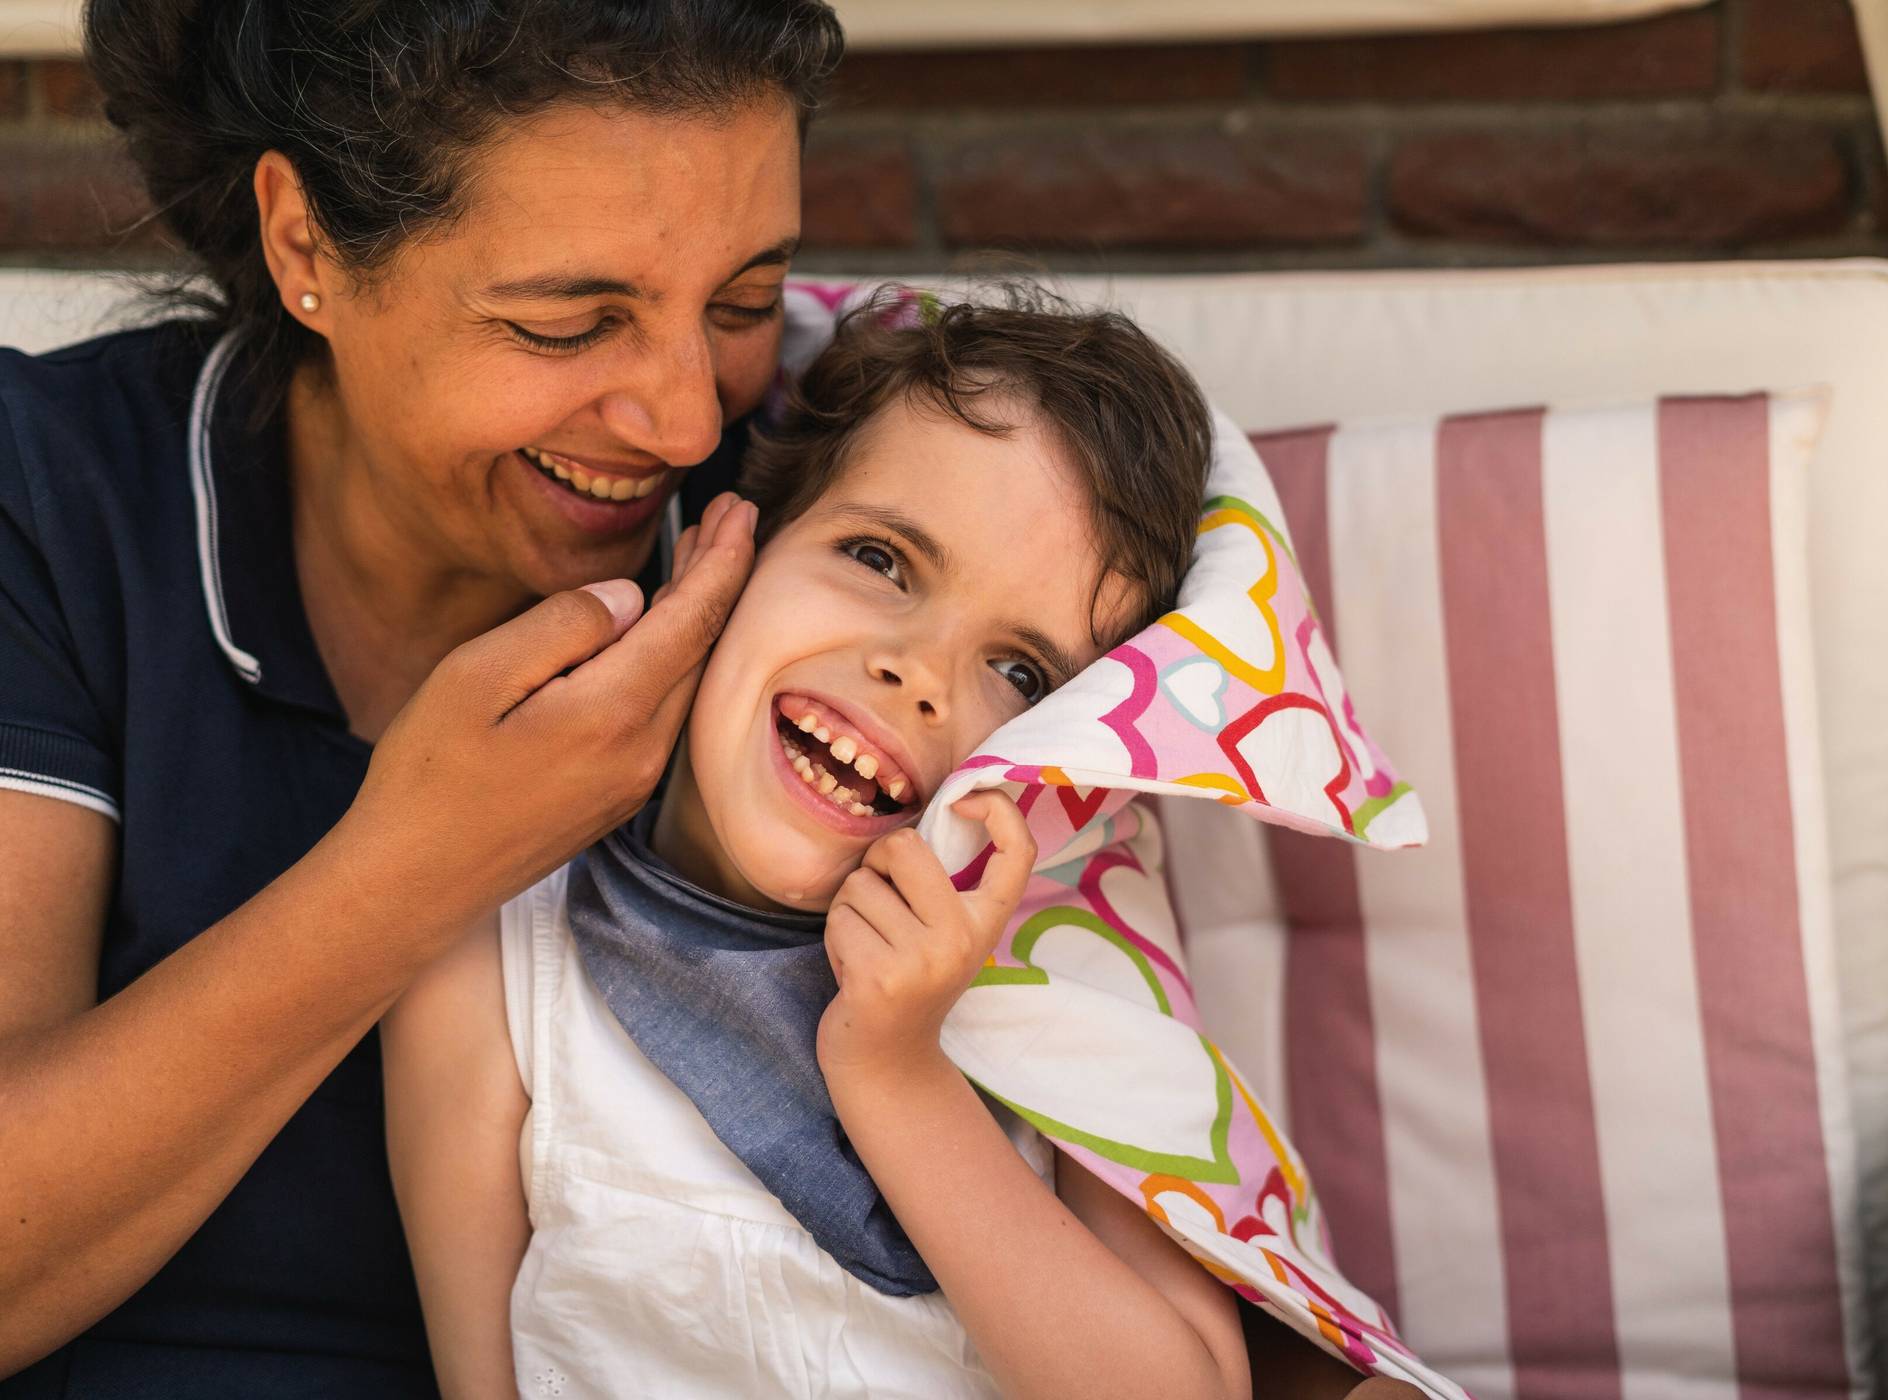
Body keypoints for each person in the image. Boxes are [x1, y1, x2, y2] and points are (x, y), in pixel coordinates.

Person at [0, 3, 844, 1393]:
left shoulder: (832, 520)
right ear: (305, 246)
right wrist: (422, 863)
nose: (690, 419)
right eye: (571, 324)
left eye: (745, 302)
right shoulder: (54, 502)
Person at [382, 293, 1254, 1399]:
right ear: (726, 547)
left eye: (1020, 670)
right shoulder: (501, 943)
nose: (920, 671)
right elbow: (476, 1373)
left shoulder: (1059, 944)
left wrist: (897, 1076)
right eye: (883, 558)